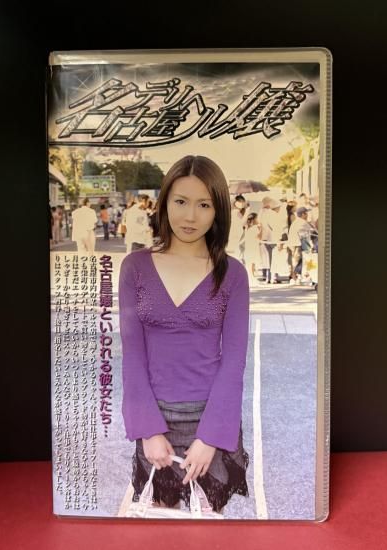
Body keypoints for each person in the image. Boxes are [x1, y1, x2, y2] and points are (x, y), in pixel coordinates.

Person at [119, 155, 250, 514]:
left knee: (207, 524)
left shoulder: (233, 274)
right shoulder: (135, 267)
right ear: (164, 203)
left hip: (210, 417)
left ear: (218, 210)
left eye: (204, 205)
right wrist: (148, 430)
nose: (190, 216)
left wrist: (210, 437)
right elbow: (132, 356)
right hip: (155, 420)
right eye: (181, 201)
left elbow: (234, 361)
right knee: (160, 521)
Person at [287, 206, 313, 284]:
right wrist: (309, 246)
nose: (307, 215)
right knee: (299, 261)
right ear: (303, 214)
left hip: (293, 244)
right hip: (298, 244)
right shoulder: (303, 222)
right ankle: (296, 277)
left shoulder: (295, 222)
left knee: (297, 261)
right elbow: (307, 234)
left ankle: (296, 277)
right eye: (306, 213)